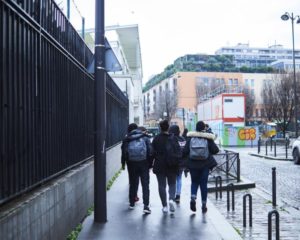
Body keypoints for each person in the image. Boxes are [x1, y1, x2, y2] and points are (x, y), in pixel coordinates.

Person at [183, 121, 219, 213]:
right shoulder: (207, 138)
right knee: (203, 184)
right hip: (205, 165)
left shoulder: (190, 138)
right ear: (204, 128)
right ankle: (203, 205)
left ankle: (193, 198)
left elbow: (185, 151)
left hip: (193, 164)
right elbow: (216, 150)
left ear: (196, 127)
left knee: (194, 182)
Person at [121, 123, 152, 214]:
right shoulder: (145, 137)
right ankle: (146, 206)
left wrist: (124, 163)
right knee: (145, 184)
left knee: (133, 183)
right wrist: (149, 164)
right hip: (144, 163)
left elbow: (123, 152)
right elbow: (150, 151)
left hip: (131, 163)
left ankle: (131, 203)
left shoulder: (127, 139)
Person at [152, 120, 178, 213]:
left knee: (161, 185)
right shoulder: (173, 138)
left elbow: (152, 152)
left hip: (159, 164)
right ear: (168, 127)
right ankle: (171, 199)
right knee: (172, 184)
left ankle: (164, 206)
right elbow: (178, 152)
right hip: (171, 164)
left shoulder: (156, 139)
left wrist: (151, 164)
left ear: (160, 128)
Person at [168, 125, 186, 203]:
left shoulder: (170, 139)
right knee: (179, 179)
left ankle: (172, 195)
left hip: (173, 162)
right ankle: (178, 195)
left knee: (172, 179)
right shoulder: (182, 139)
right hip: (181, 163)